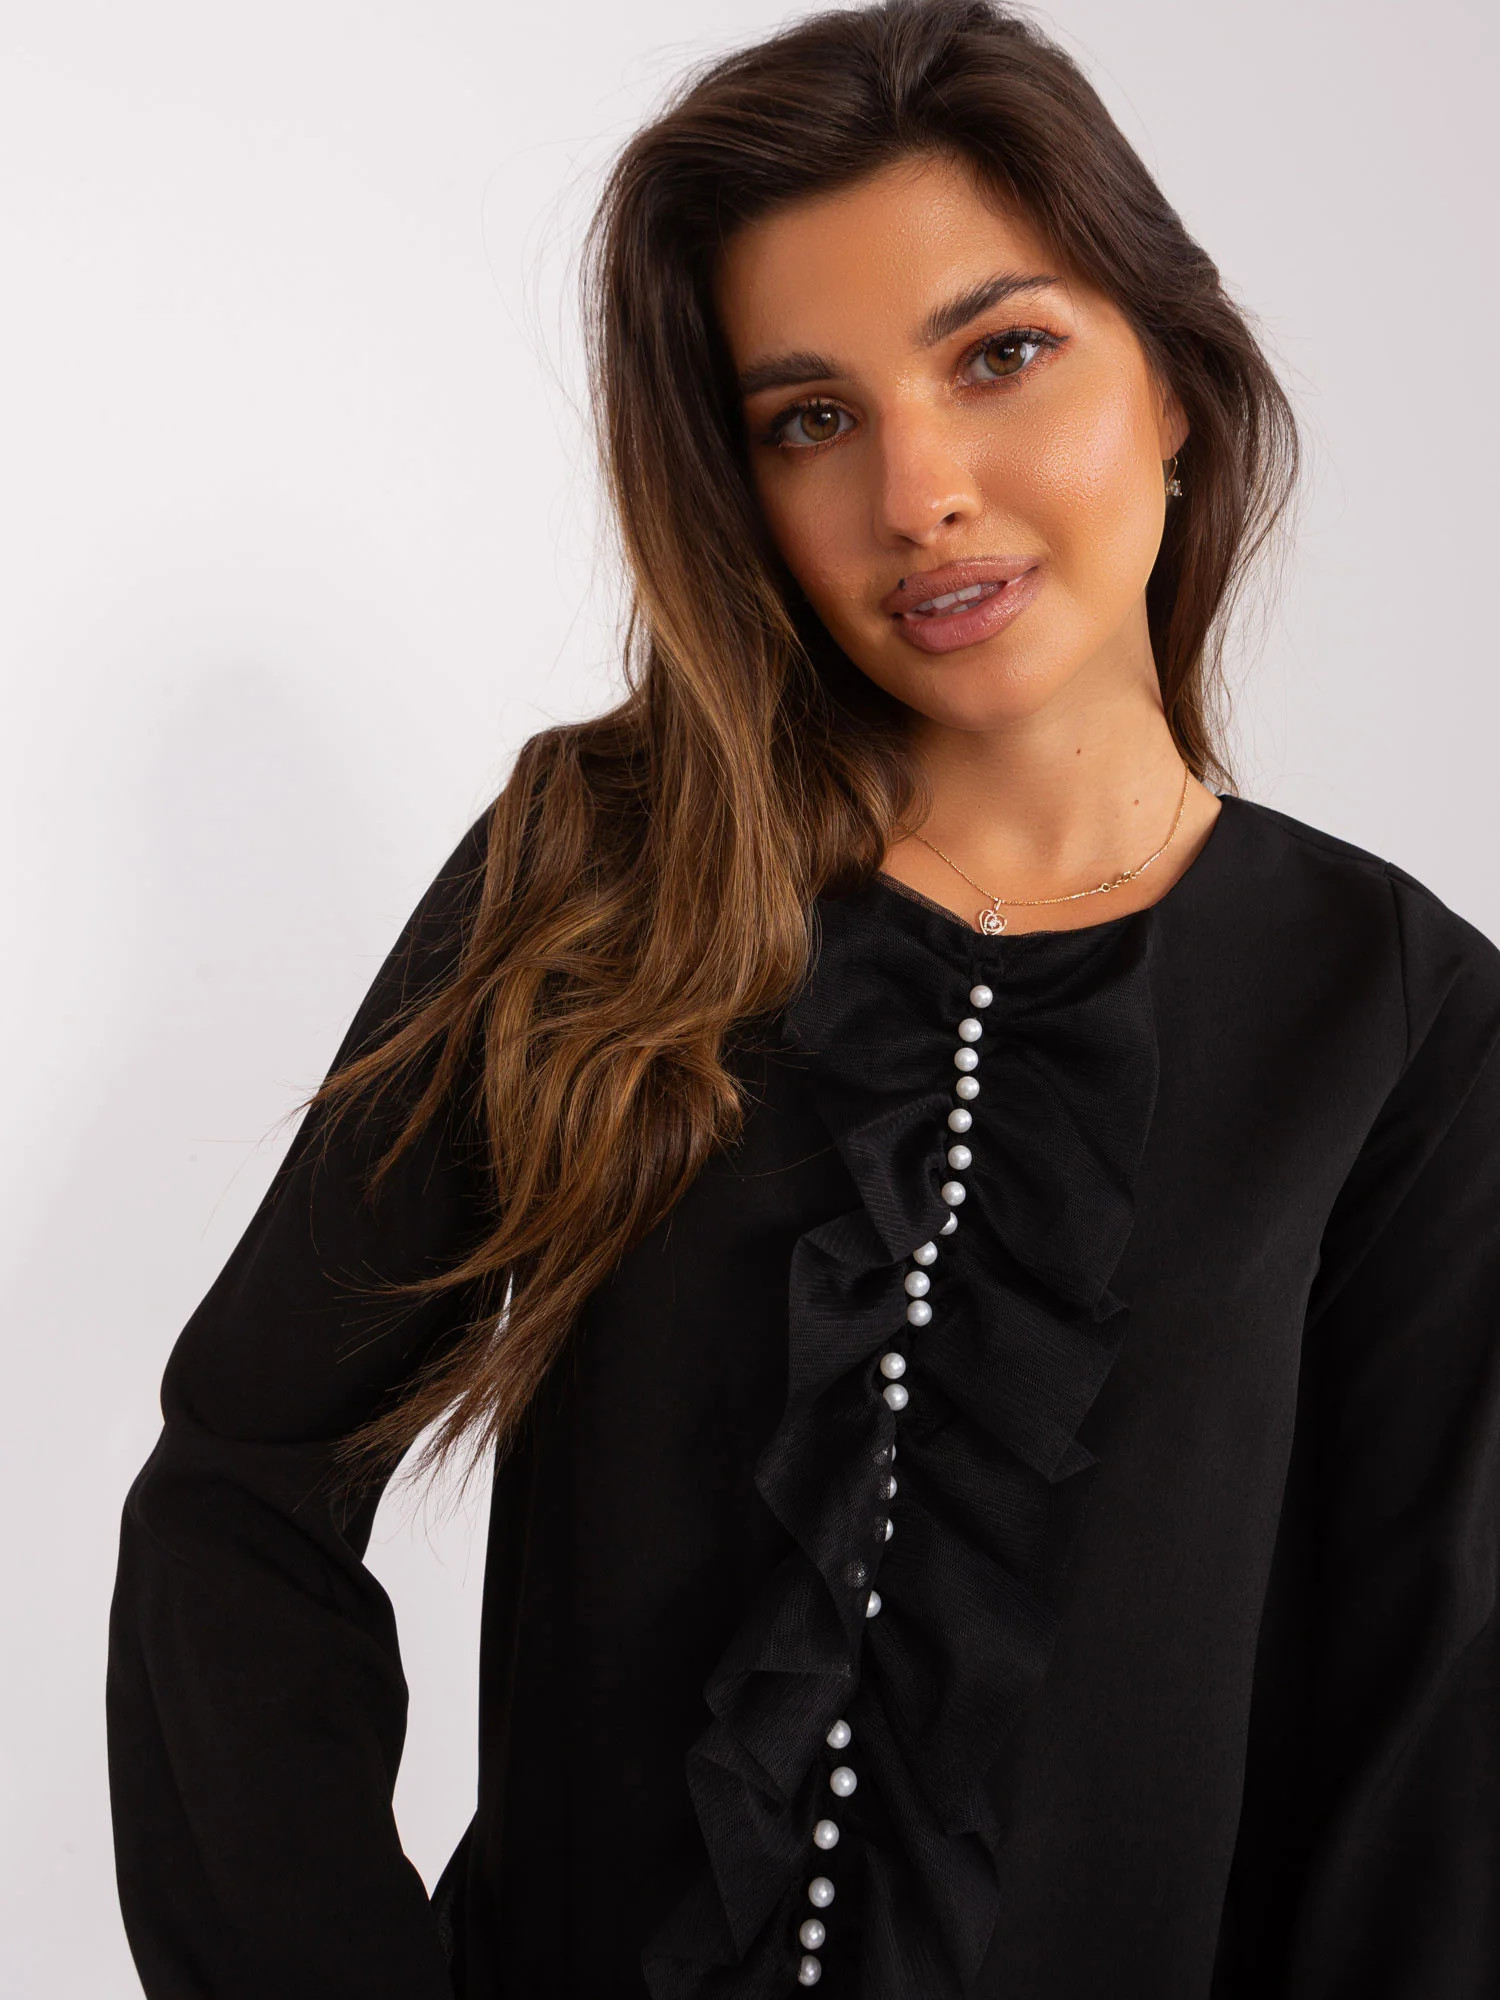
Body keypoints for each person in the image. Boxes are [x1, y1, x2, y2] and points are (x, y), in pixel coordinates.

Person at [106, 3, 1500, 1996]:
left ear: (1178, 379)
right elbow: (242, 1484)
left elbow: (1416, 1779)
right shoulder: (602, 870)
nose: (917, 491)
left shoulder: (1399, 1024)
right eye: (810, 418)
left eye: (1000, 354)